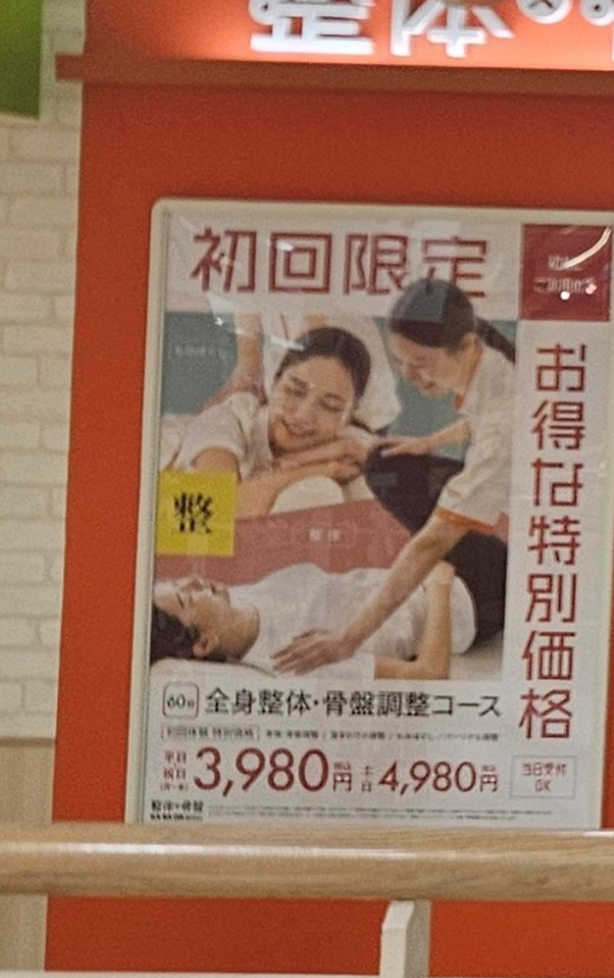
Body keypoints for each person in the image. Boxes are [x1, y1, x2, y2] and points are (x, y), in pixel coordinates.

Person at [277, 278, 515, 673]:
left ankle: (491, 573)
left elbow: (430, 545)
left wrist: (347, 640)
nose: (409, 374)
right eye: (401, 362)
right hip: (484, 566)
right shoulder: (486, 357)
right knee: (388, 460)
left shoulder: (499, 434)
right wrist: (428, 442)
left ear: (465, 346)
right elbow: (485, 413)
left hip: (490, 598)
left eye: (420, 363)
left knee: (410, 503)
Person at [163, 325, 382, 518]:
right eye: (294, 390)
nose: (303, 415)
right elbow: (218, 511)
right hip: (167, 516)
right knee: (319, 487)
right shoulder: (227, 420)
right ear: (274, 383)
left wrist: (349, 452)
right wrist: (324, 469)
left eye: (330, 406)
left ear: (349, 416)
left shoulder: (350, 440)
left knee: (332, 488)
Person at [152, 565, 470, 680]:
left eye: (177, 581)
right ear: (204, 643)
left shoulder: (237, 601)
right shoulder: (297, 660)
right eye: (185, 598)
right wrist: (438, 583)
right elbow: (429, 674)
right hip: (463, 599)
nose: (192, 581)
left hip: (418, 568)